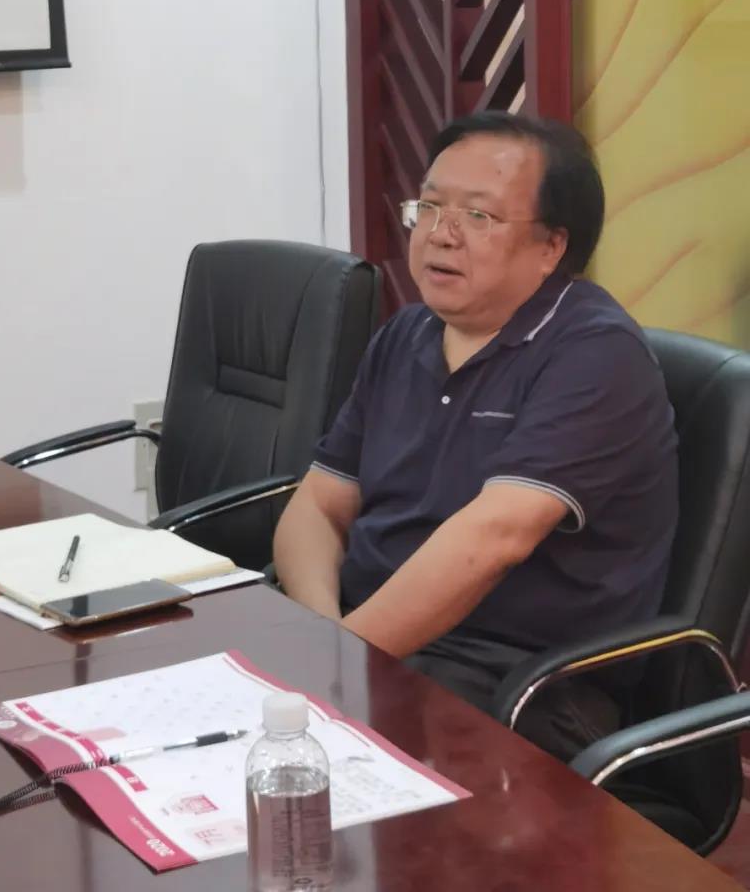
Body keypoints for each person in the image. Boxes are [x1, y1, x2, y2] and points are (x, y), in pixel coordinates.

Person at [273, 111, 677, 759]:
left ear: (551, 246)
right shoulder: (404, 335)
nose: (441, 233)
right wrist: (324, 633)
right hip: (371, 639)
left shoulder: (594, 354)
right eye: (430, 206)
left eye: (478, 215)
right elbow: (319, 503)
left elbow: (493, 539)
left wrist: (338, 666)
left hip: (515, 681)